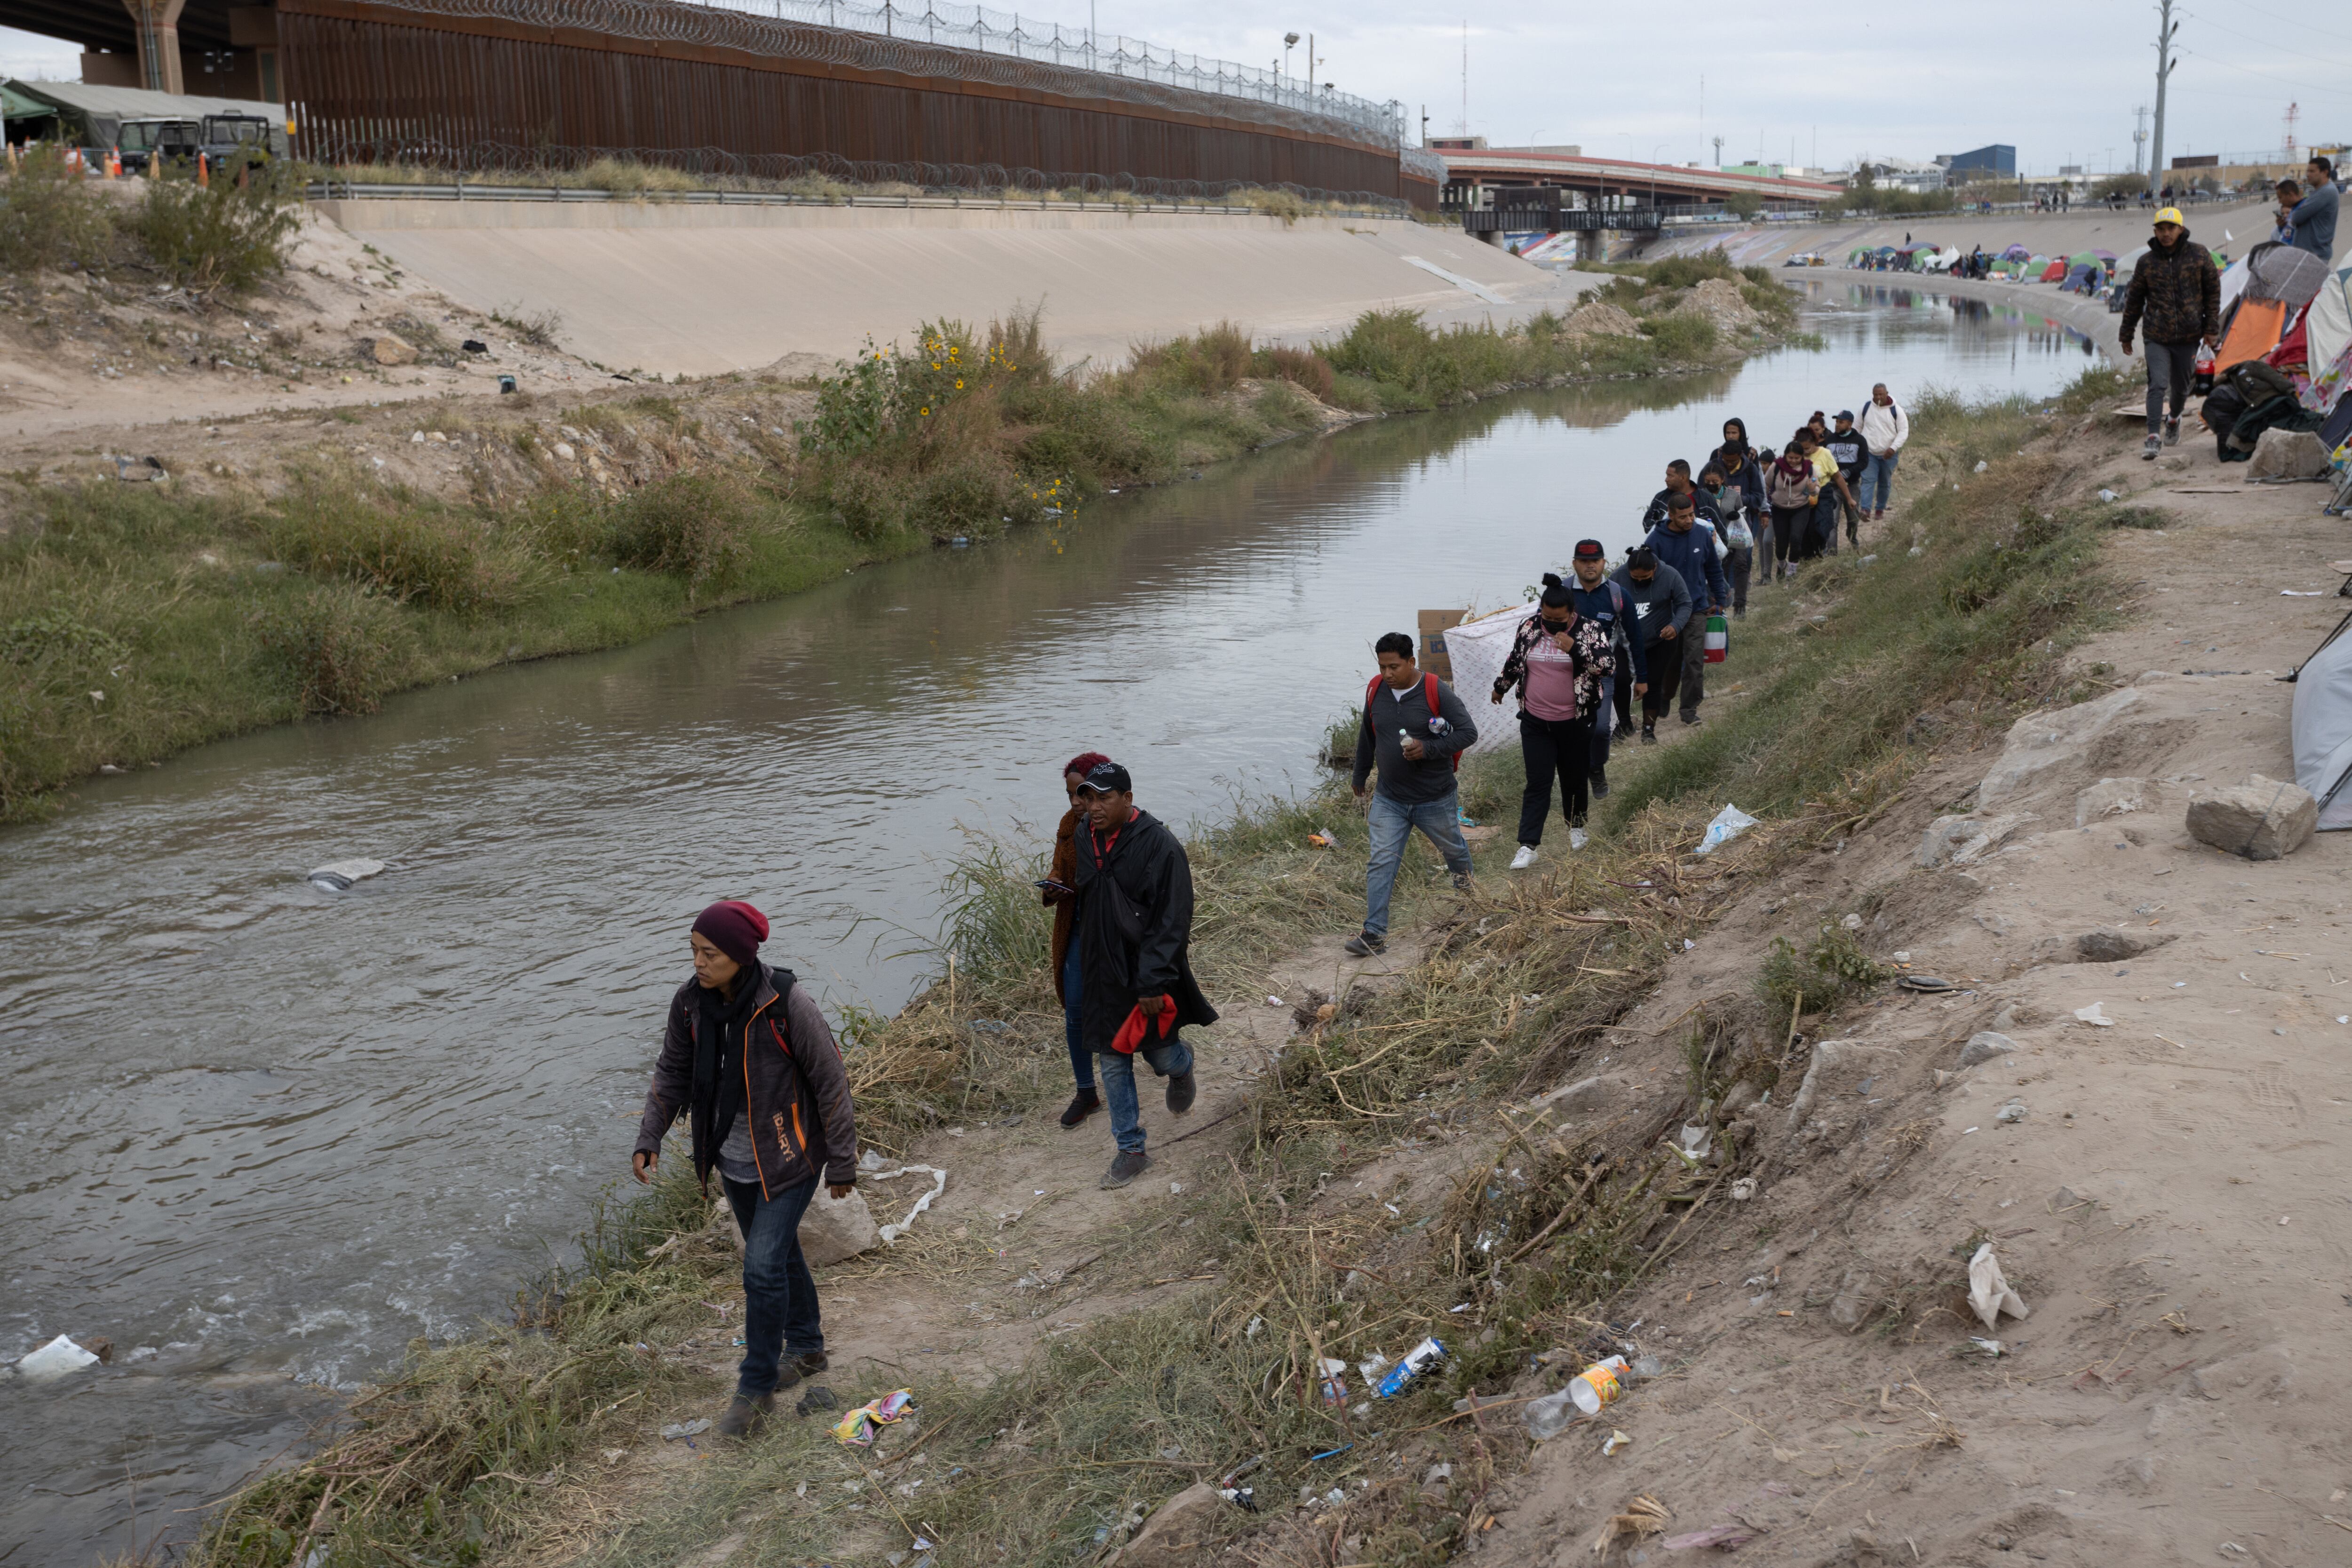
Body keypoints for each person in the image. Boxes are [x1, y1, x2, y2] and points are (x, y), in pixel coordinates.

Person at [633, 900, 858, 1438]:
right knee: (778, 1256)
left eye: (709, 953)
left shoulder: (786, 1004)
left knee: (760, 1268)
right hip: (731, 1160)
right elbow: (672, 1071)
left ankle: (754, 1389)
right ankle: (805, 1348)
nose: (698, 963)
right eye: (693, 951)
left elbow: (831, 1082)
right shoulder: (689, 1005)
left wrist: (843, 1163)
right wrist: (650, 1135)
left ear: (739, 955)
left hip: (790, 1156)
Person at [1068, 760, 1216, 1189]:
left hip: (1147, 973)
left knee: (1159, 1054)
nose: (1094, 808)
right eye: (1088, 799)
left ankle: (1182, 1063)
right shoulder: (1084, 836)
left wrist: (1153, 979)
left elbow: (1173, 921)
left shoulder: (1161, 847)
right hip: (1102, 971)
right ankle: (1131, 1149)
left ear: (1128, 799)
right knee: (1112, 1059)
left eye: (1104, 798)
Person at [1348, 633, 1477, 956]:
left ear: (1411, 662)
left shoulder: (1435, 690)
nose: (1388, 674)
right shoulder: (1376, 689)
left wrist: (1428, 749)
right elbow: (1368, 733)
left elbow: (1468, 732)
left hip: (1434, 797)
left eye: (1394, 667)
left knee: (1454, 852)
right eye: (1382, 666)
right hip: (1389, 798)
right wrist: (1360, 773)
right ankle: (1374, 933)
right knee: (1382, 860)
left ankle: (1472, 903)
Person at [1492, 572, 1615, 867]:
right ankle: (1528, 845)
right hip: (1536, 722)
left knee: (1574, 778)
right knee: (1538, 782)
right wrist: (1501, 686)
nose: (1551, 624)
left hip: (1576, 721)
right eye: (1547, 617)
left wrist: (1574, 648)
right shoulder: (1530, 627)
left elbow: (1607, 666)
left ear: (1572, 613)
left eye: (1558, 620)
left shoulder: (1589, 630)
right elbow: (1516, 659)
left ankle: (1576, 828)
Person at [1043, 750, 1112, 1129]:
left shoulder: (1124, 825)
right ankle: (1087, 1091)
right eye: (1070, 794)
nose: (1076, 802)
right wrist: (1054, 884)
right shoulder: (1070, 823)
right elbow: (1060, 865)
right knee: (1076, 1011)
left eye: (1082, 793)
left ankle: (1168, 1057)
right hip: (1078, 927)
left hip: (1116, 932)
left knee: (1131, 1004)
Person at [2118, 206, 2220, 460]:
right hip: (2156, 336)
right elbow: (2134, 300)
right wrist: (2126, 333)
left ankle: (2173, 419)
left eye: (2170, 229)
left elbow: (2213, 293)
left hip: (2188, 337)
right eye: (2161, 229)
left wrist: (2211, 329)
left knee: (2181, 388)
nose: (2166, 234)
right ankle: (2153, 437)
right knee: (2158, 384)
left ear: (2181, 229)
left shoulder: (2199, 255)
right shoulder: (2147, 263)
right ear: (2155, 231)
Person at [1560, 539, 1645, 797]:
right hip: (1563, 672)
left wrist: (1641, 676)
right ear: (1574, 563)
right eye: (1584, 561)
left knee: (1601, 729)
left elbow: (1634, 638)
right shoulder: (1561, 592)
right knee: (1569, 729)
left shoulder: (1618, 596)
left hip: (1601, 673)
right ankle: (1572, 779)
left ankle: (1597, 769)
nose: (1589, 566)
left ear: (1604, 562)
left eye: (1595, 561)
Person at [1641, 491, 1728, 726]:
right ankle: (1665, 696)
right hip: (1666, 612)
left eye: (1691, 515)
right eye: (1683, 517)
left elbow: (1713, 569)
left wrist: (1720, 598)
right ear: (1671, 515)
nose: (1689, 520)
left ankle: (1689, 709)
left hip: (1697, 608)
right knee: (1671, 661)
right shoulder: (1655, 541)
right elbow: (1644, 577)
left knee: (1694, 660)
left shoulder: (1702, 534)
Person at [1609, 546, 1691, 744]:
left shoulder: (1670, 576)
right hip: (1626, 642)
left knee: (1653, 683)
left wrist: (1676, 625)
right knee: (1619, 679)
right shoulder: (1617, 578)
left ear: (1654, 568)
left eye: (1644, 577)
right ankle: (1625, 723)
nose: (1639, 581)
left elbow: (1685, 604)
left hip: (1659, 641)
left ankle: (1648, 729)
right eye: (1634, 578)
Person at [1700, 463, 1756, 616]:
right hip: (1716, 539)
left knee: (1741, 564)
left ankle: (1741, 604)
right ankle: (1721, 604)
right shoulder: (1702, 496)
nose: (1711, 485)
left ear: (1723, 479)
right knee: (1720, 571)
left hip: (1735, 536)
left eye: (1715, 482)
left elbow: (1743, 513)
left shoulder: (1733, 495)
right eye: (1708, 482)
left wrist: (1738, 515)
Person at [1711, 422, 1768, 567]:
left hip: (1747, 514)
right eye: (1728, 433)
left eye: (1734, 433)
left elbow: (1759, 487)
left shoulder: (1751, 456)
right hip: (1720, 515)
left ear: (1741, 433)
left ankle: (1742, 581)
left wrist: (1764, 510)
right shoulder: (1716, 455)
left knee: (1744, 552)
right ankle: (1729, 587)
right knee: (1723, 551)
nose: (1730, 436)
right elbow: (1707, 483)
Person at [1764, 437, 1820, 581]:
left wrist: (1813, 489)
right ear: (1785, 456)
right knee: (1782, 544)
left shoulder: (1809, 469)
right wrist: (1766, 504)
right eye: (1790, 458)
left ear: (1802, 457)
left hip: (1801, 508)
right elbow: (1767, 484)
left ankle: (1792, 572)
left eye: (1797, 458)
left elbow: (1816, 490)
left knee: (1796, 539)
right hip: (1779, 509)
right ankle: (1781, 565)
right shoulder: (1776, 467)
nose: (1793, 461)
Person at [1859, 384, 1907, 520]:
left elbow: (1903, 432)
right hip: (1869, 453)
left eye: (1881, 394)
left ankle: (1880, 509)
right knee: (1868, 481)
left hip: (1889, 455)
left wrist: (1893, 448)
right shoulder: (1866, 408)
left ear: (1887, 394)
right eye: (1875, 395)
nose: (1878, 397)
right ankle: (1865, 510)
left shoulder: (1896, 411)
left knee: (1884, 482)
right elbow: (1857, 428)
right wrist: (1858, 448)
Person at [1821, 411, 1869, 550]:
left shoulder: (1860, 440)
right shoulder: (1829, 440)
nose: (1837, 425)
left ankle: (1852, 536)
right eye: (1836, 422)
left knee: (1853, 519)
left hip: (1852, 486)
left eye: (1841, 422)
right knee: (1832, 521)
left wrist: (1850, 471)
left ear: (1850, 424)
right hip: (1833, 488)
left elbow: (1864, 462)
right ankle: (1832, 552)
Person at [1641, 459, 1723, 529]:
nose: (1666, 480)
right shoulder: (1660, 498)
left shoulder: (1706, 499)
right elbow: (1647, 522)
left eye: (1670, 476)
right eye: (1667, 475)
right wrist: (1664, 529)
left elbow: (1721, 527)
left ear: (1683, 478)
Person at [2284, 157, 2338, 260]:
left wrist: (2295, 214)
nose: (2308, 175)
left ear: (2325, 172)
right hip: (2308, 255)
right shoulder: (2319, 192)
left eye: (2312, 171)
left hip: (2315, 256)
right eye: (2308, 171)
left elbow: (2297, 217)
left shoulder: (2326, 192)